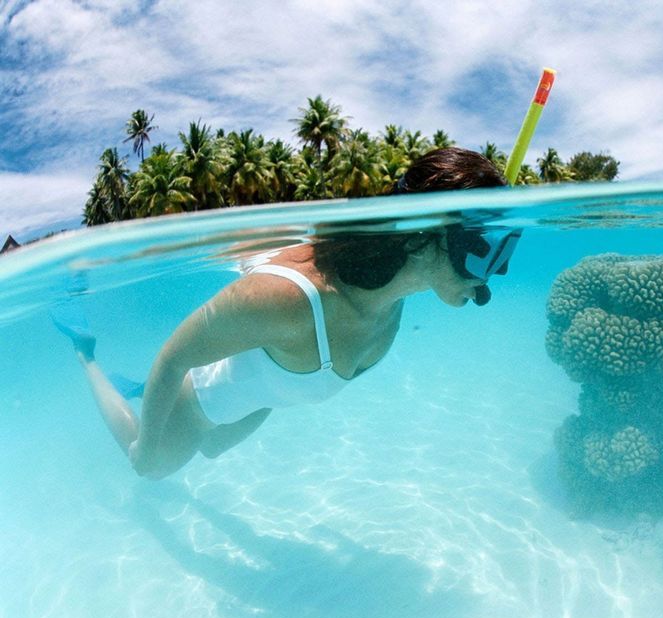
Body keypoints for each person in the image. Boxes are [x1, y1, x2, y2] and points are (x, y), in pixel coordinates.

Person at [57, 148, 520, 479]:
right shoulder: (287, 298)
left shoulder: (389, 315)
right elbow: (173, 358)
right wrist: (144, 450)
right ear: (432, 231)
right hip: (196, 397)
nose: (492, 278)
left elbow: (288, 381)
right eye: (488, 252)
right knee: (151, 469)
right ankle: (85, 353)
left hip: (244, 401)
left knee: (214, 448)